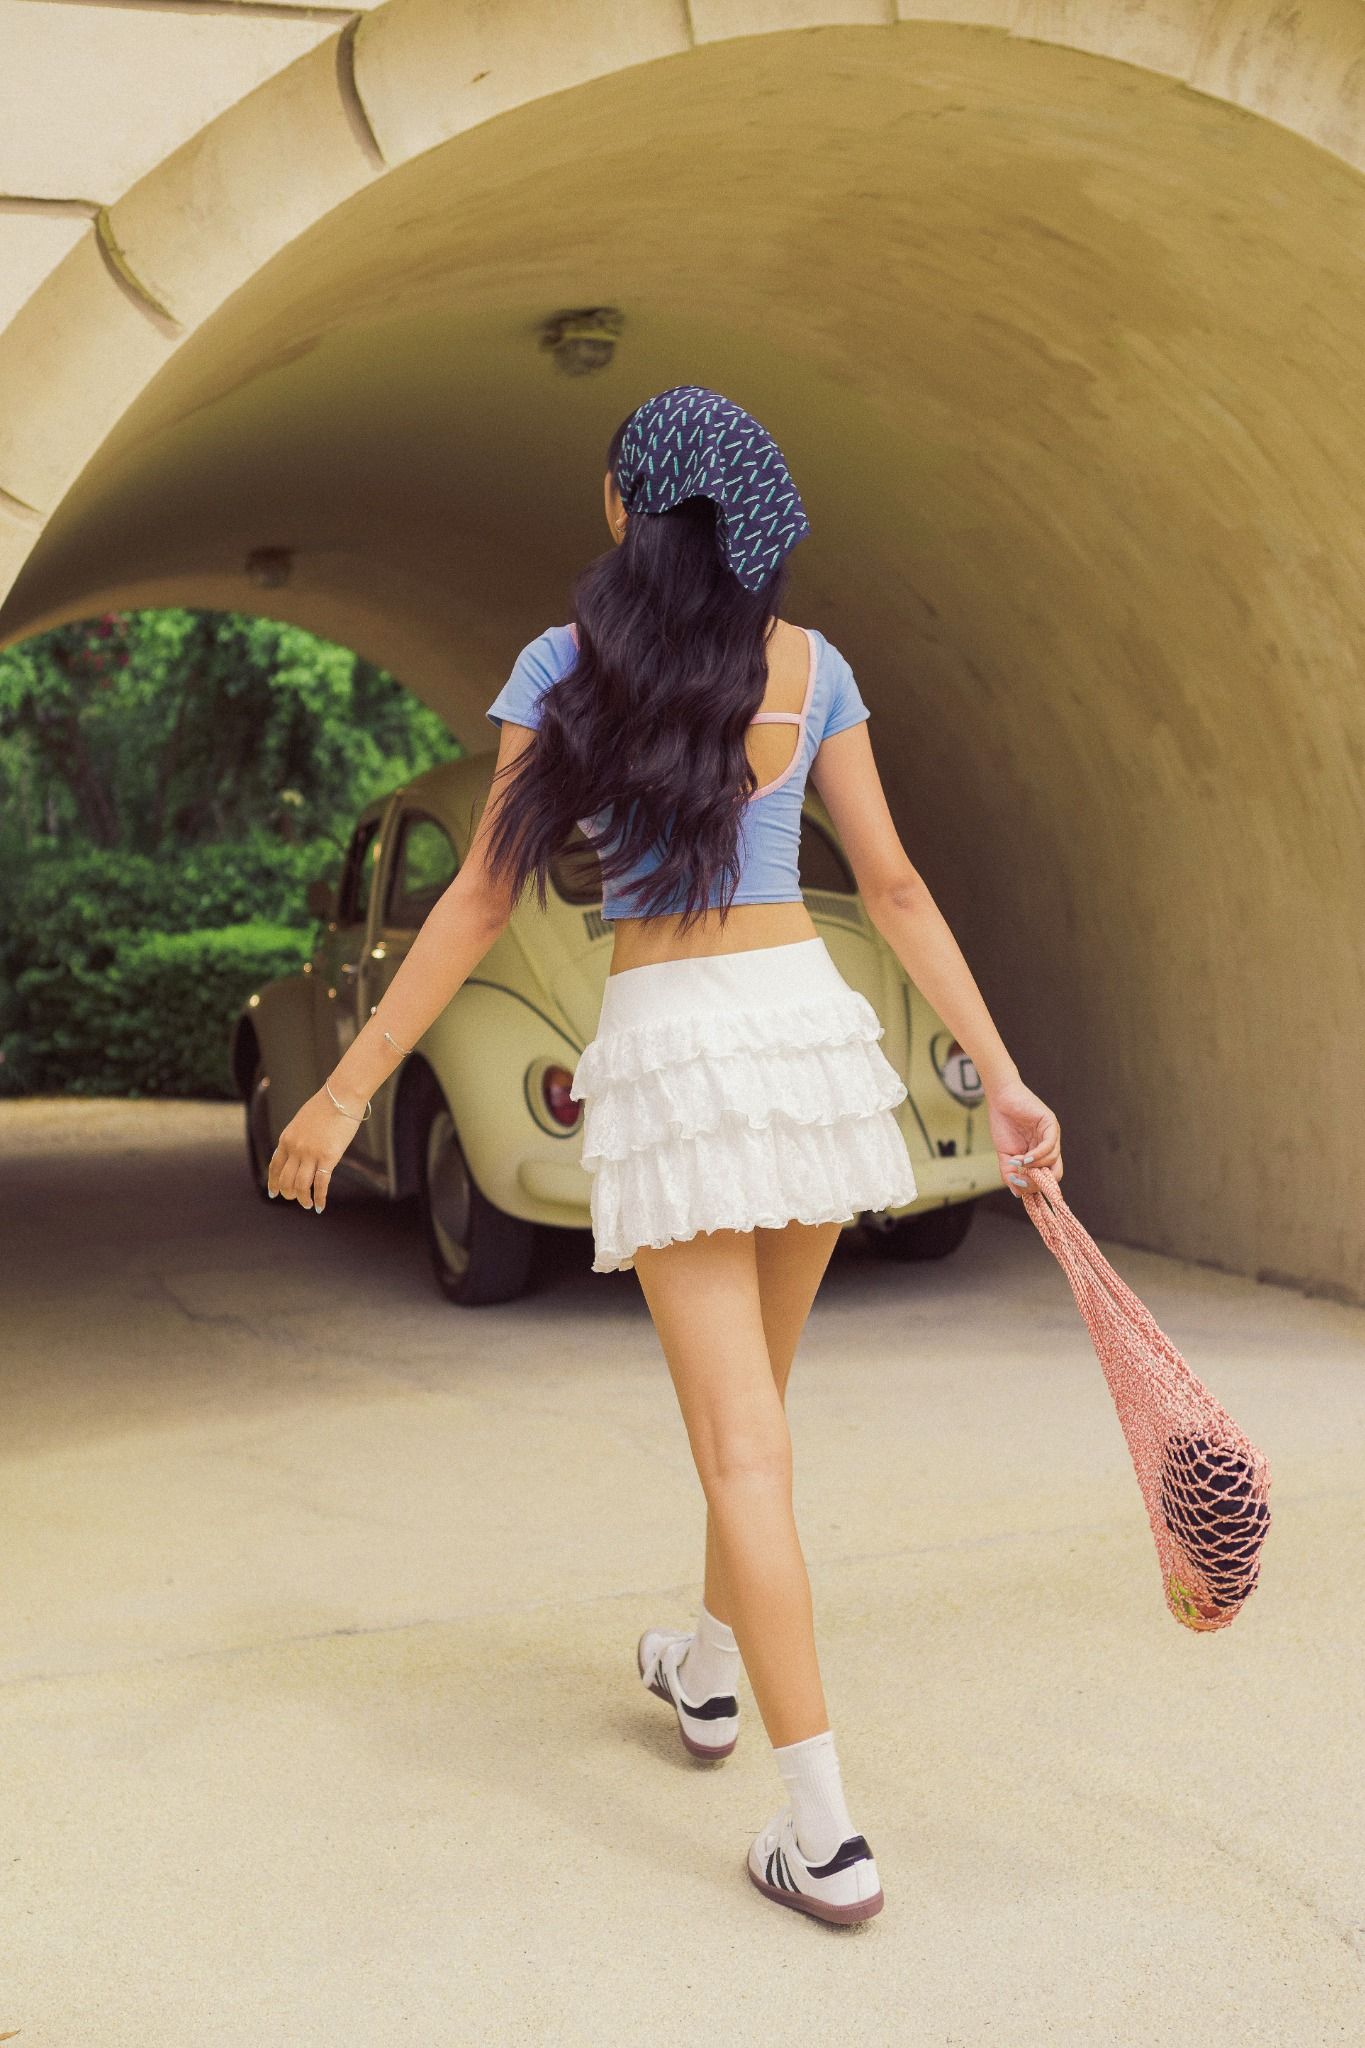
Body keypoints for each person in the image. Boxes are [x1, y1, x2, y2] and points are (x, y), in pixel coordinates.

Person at [268, 384, 1063, 1928]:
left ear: (625, 510)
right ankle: (706, 1676)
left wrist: (349, 1083)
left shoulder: (564, 667)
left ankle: (823, 1835)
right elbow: (889, 890)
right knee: (756, 1419)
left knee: (739, 1450)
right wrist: (1010, 1077)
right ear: (754, 519)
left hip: (682, 1049)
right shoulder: (813, 665)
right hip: (809, 1038)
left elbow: (482, 903)